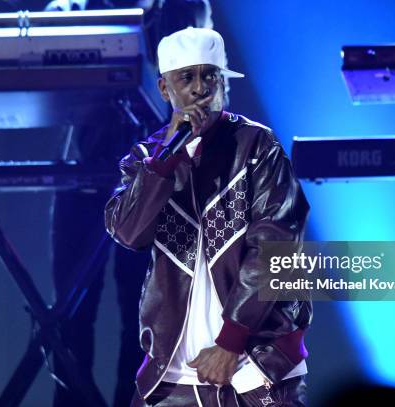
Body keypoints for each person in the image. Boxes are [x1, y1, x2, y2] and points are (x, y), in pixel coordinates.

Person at [105, 27, 312, 405]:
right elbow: (127, 232)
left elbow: (276, 246)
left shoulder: (256, 145)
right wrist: (165, 160)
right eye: (187, 78)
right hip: (174, 374)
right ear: (165, 89)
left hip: (256, 365)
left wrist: (230, 343)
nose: (201, 88)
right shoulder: (146, 158)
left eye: (210, 76)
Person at [43, 1, 216, 406]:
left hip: (157, 180)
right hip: (83, 174)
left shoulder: (185, 8)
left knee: (143, 319)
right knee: (69, 315)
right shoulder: (83, 6)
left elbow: (201, 92)